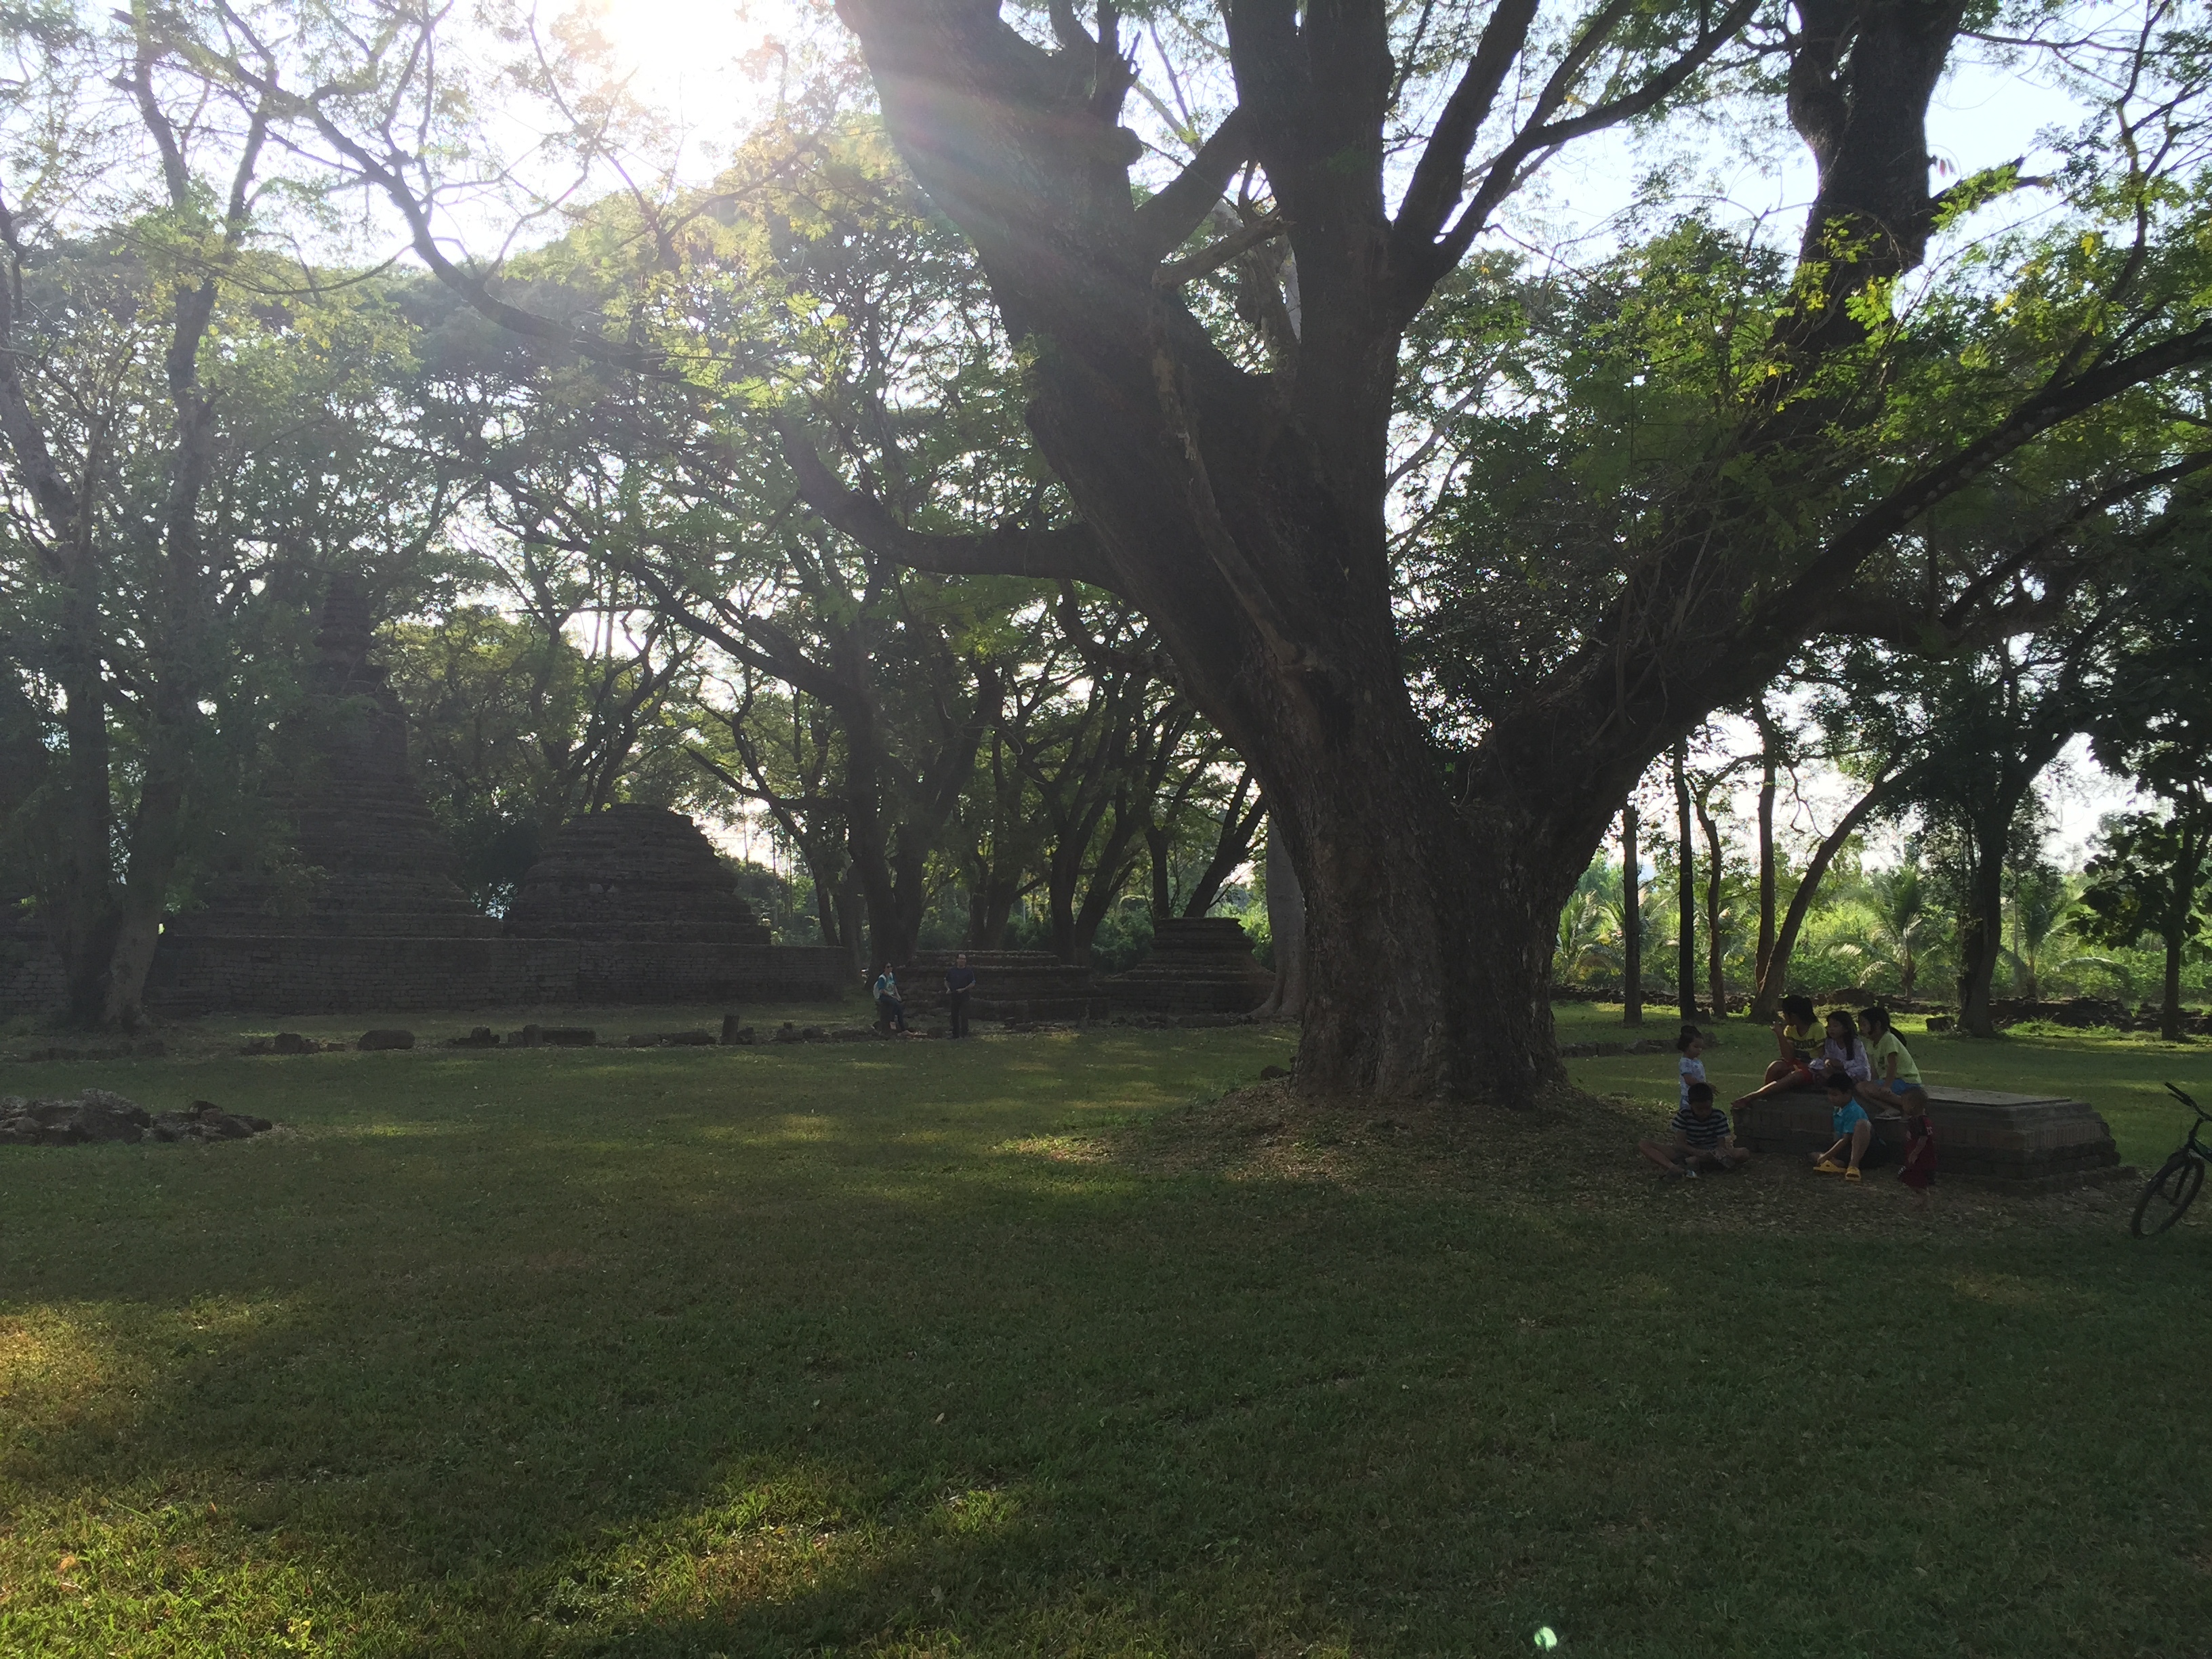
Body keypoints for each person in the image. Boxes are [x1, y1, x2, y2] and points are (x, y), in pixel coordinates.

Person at [1639, 1081, 1750, 1176]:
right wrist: (1696, 1152)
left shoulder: (1719, 1116)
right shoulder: (1684, 1114)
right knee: (1644, 1144)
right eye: (1699, 1109)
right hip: (1687, 1150)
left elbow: (1721, 1146)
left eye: (1707, 1108)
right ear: (1690, 1104)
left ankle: (1690, 1164)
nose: (1704, 1113)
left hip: (1711, 1153)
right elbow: (1680, 1143)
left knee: (1743, 1153)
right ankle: (1673, 1167)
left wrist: (1715, 1154)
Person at [1731, 994, 1822, 1109]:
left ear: (1792, 1015)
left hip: (1813, 1068)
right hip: (1797, 1064)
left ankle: (1754, 1096)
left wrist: (1805, 1066)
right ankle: (1766, 1098)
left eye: (1784, 1013)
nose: (1783, 1016)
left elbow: (1822, 1057)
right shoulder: (1790, 1030)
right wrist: (1780, 1034)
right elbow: (1788, 1057)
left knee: (1795, 1076)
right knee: (1775, 1067)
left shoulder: (1817, 1029)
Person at [1811, 1069, 1889, 1181]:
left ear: (1847, 1093)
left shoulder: (1854, 1110)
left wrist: (1827, 1156)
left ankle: (1853, 1166)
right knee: (1814, 1154)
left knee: (1862, 1124)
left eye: (1835, 1095)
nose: (1831, 1098)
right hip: (1849, 1149)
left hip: (1868, 1150)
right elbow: (1838, 1137)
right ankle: (1839, 1165)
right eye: (1829, 1094)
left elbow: (1845, 1139)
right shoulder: (1838, 1109)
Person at [1856, 1006, 1923, 1112]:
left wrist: (1887, 1086)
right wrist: (1874, 1083)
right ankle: (1889, 1109)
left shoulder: (1889, 1039)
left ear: (1877, 1025)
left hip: (1905, 1081)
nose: (1861, 1029)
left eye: (1864, 1025)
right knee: (1860, 1087)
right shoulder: (1870, 1043)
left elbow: (1893, 1066)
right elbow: (1874, 1069)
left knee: (1869, 1089)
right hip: (1888, 1081)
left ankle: (1908, 1104)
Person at [1809, 1008, 1872, 1087]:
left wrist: (1842, 1064)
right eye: (1829, 1026)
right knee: (1816, 1063)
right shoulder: (1829, 1042)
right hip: (1835, 1071)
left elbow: (1860, 1063)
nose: (1831, 1029)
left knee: (1862, 1070)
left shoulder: (1856, 1043)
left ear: (1846, 1028)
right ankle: (1835, 1081)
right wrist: (1828, 1062)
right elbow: (1827, 1057)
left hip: (1849, 1071)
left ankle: (1837, 1081)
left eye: (1835, 1026)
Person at [1897, 1088, 1938, 1207]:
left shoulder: (1919, 1121)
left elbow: (1923, 1137)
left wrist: (1915, 1152)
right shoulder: (1924, 1120)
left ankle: (1924, 1196)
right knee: (1915, 1178)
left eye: (1904, 1103)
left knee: (1909, 1177)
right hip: (1924, 1158)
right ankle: (1923, 1197)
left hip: (1920, 1159)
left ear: (1912, 1105)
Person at [944, 953, 977, 1040]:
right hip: (954, 996)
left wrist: (964, 989)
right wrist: (948, 989)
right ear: (957, 960)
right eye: (961, 959)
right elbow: (947, 981)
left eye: (964, 959)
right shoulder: (952, 971)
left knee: (964, 1016)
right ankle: (955, 1034)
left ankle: (965, 1034)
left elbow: (973, 983)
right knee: (954, 1016)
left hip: (964, 996)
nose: (963, 961)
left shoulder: (969, 971)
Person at [1677, 1024, 1708, 1108]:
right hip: (1689, 1098)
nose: (1699, 1050)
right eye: (1696, 1047)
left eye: (1701, 1047)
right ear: (1686, 1046)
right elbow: (1689, 1080)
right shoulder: (1685, 1062)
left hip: (1698, 1096)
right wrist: (1705, 1086)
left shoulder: (1696, 1061)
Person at [872, 964, 907, 1033]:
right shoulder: (882, 978)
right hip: (883, 996)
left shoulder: (892, 976)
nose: (890, 968)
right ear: (884, 969)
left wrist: (897, 995)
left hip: (892, 995)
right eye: (888, 967)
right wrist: (892, 996)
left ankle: (903, 1028)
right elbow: (882, 990)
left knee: (899, 1007)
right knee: (895, 1003)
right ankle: (892, 1021)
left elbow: (894, 986)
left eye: (891, 966)